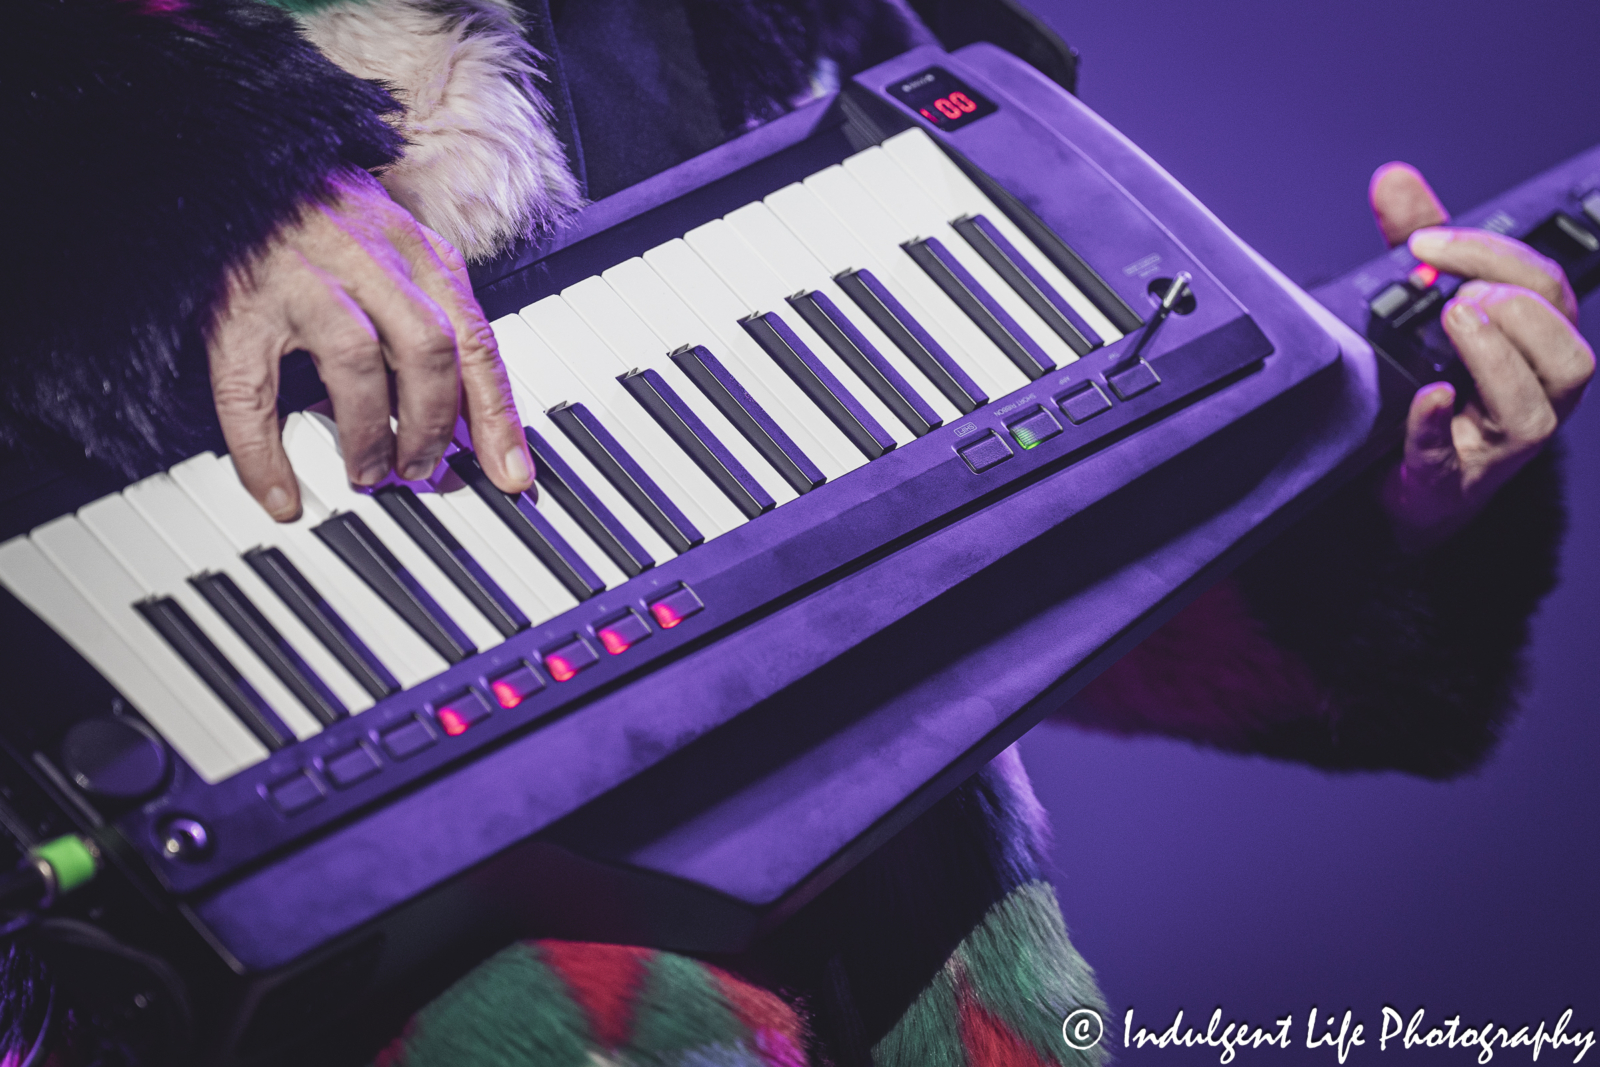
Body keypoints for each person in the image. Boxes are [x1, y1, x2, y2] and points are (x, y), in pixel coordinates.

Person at [3, 0, 1591, 1064]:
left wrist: (1386, 509)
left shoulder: (769, 24)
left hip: (897, 945)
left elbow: (997, 558)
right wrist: (185, 188)